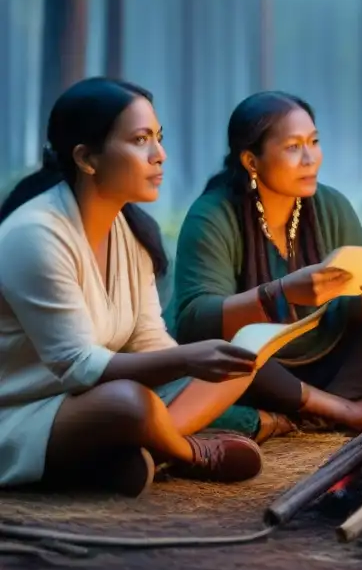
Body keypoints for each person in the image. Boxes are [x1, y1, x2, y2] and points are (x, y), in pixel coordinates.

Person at [0, 78, 264, 497]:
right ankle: (188, 453)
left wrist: (199, 359)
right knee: (128, 403)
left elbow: (147, 340)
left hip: (87, 401)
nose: (160, 155)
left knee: (236, 368)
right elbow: (78, 366)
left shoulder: (129, 230)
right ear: (87, 158)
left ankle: (136, 446)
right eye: (141, 140)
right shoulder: (35, 235)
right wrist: (188, 360)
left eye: (158, 138)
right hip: (21, 413)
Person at [170, 91, 362, 437]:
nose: (310, 158)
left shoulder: (331, 205)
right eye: (293, 147)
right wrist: (281, 294)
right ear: (251, 161)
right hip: (255, 371)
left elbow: (351, 305)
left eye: (314, 141)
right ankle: (343, 411)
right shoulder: (212, 216)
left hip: (323, 363)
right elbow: (195, 322)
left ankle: (318, 410)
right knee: (240, 356)